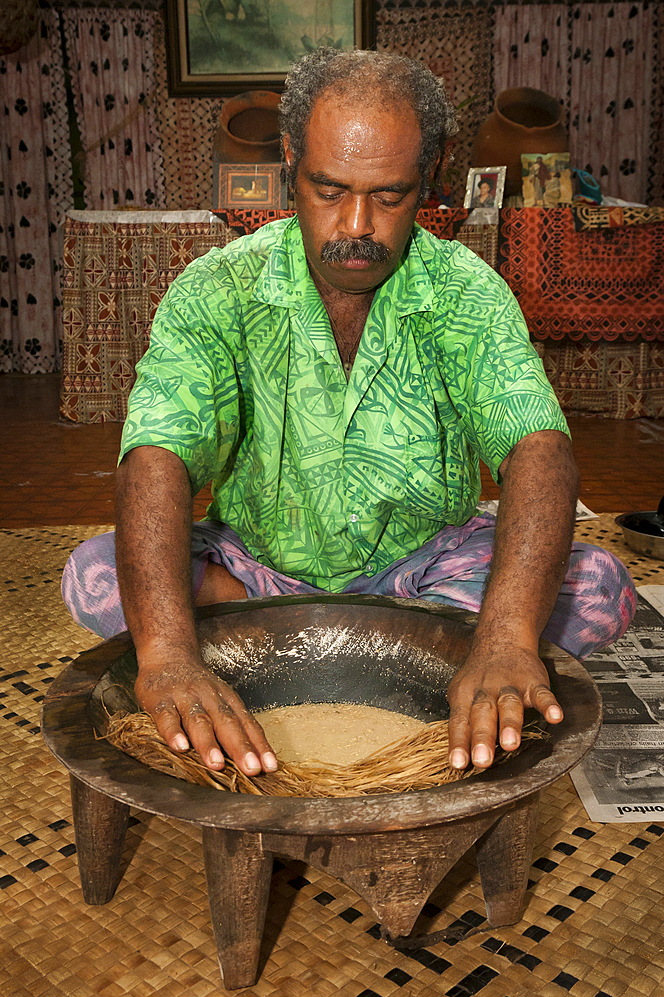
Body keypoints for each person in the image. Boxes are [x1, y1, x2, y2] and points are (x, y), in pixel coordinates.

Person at [62, 48, 636, 782]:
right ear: (291, 162)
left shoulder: (468, 293)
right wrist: (170, 659)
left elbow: (539, 451)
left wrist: (505, 636)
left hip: (427, 573)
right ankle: (395, 659)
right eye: (329, 188)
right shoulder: (218, 290)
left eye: (391, 195)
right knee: (96, 574)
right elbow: (157, 457)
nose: (356, 225)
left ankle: (313, 652)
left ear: (431, 174)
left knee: (595, 583)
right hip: (260, 572)